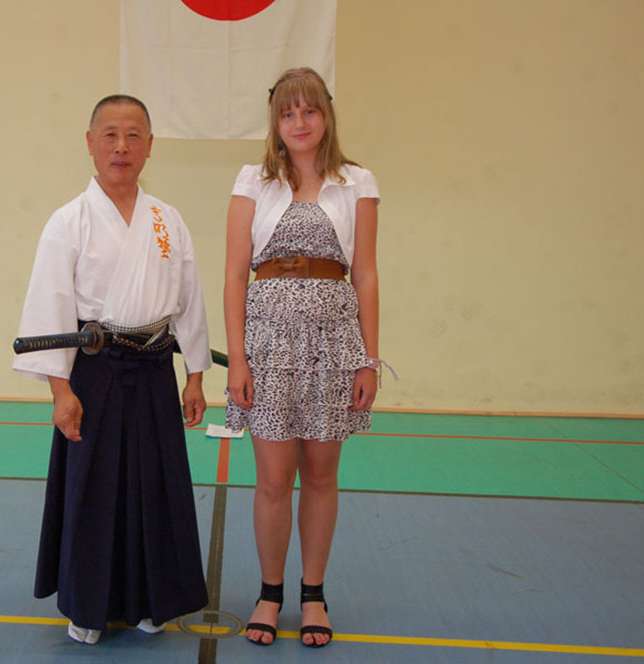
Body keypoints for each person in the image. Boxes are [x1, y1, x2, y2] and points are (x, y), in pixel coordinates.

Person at [13, 94, 212, 645]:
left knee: (156, 485)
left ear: (149, 146)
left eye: (133, 135)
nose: (121, 146)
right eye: (110, 135)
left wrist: (195, 376)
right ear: (90, 143)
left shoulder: (167, 220)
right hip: (95, 370)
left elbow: (188, 301)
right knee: (95, 487)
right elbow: (50, 306)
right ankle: (89, 605)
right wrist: (61, 391)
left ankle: (152, 600)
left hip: (155, 368)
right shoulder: (68, 221)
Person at [223, 67, 386, 648]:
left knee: (320, 476)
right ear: (275, 122)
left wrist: (368, 360)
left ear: (326, 115)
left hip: (333, 346)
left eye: (309, 111)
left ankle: (313, 593)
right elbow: (235, 275)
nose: (299, 122)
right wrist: (237, 358)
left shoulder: (357, 181)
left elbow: (364, 274)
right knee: (273, 480)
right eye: (288, 113)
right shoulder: (252, 181)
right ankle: (269, 593)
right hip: (267, 346)